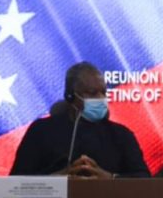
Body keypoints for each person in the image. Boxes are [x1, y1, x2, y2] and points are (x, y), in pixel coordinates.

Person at [10, 62, 150, 178]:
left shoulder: (121, 135)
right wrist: (58, 179)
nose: (101, 98)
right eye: (92, 93)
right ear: (70, 96)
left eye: (103, 92)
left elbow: (144, 182)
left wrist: (109, 178)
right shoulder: (41, 131)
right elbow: (15, 184)